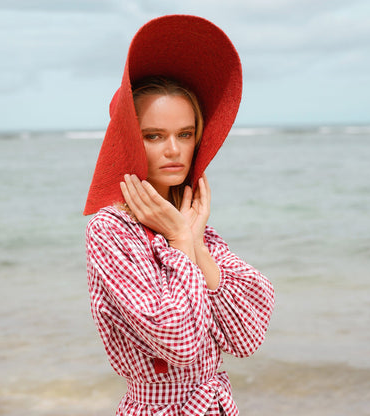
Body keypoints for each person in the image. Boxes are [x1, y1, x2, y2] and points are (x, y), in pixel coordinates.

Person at [84, 15, 275, 416]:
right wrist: (181, 241)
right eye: (154, 136)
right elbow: (180, 341)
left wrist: (193, 242)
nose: (174, 150)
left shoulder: (191, 220)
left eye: (185, 134)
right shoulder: (109, 232)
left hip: (217, 406)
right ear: (129, 140)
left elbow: (247, 336)